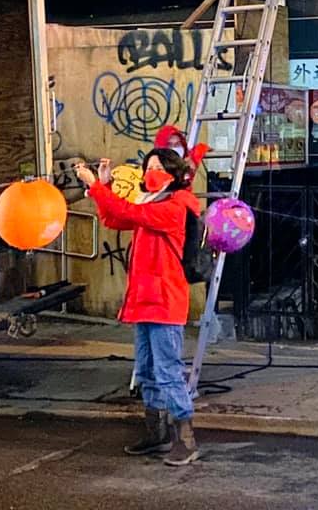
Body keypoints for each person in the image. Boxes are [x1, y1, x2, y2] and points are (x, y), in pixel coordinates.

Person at [75, 148, 201, 466]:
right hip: (146, 300)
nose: (150, 171)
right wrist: (103, 186)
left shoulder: (175, 206)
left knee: (167, 371)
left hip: (164, 300)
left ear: (174, 174)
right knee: (146, 371)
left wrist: (94, 186)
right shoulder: (153, 202)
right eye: (149, 166)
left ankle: (185, 440)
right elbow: (114, 217)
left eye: (158, 166)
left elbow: (128, 213)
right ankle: (156, 434)